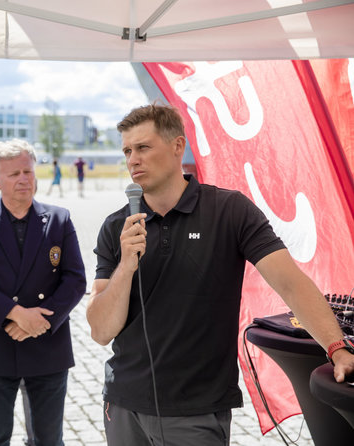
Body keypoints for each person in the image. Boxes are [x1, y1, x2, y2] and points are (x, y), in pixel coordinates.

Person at [86, 104, 354, 446]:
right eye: (126, 150)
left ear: (177, 146)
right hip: (124, 408)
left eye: (143, 147)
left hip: (196, 411)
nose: (132, 160)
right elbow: (100, 330)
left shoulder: (229, 211)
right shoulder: (117, 227)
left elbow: (291, 283)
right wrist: (126, 264)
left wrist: (336, 347)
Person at [0, 139, 86, 446]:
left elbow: (75, 279)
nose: (23, 179)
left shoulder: (58, 219)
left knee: (48, 438)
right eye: (14, 174)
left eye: (28, 171)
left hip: (47, 344)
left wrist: (40, 321)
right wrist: (17, 315)